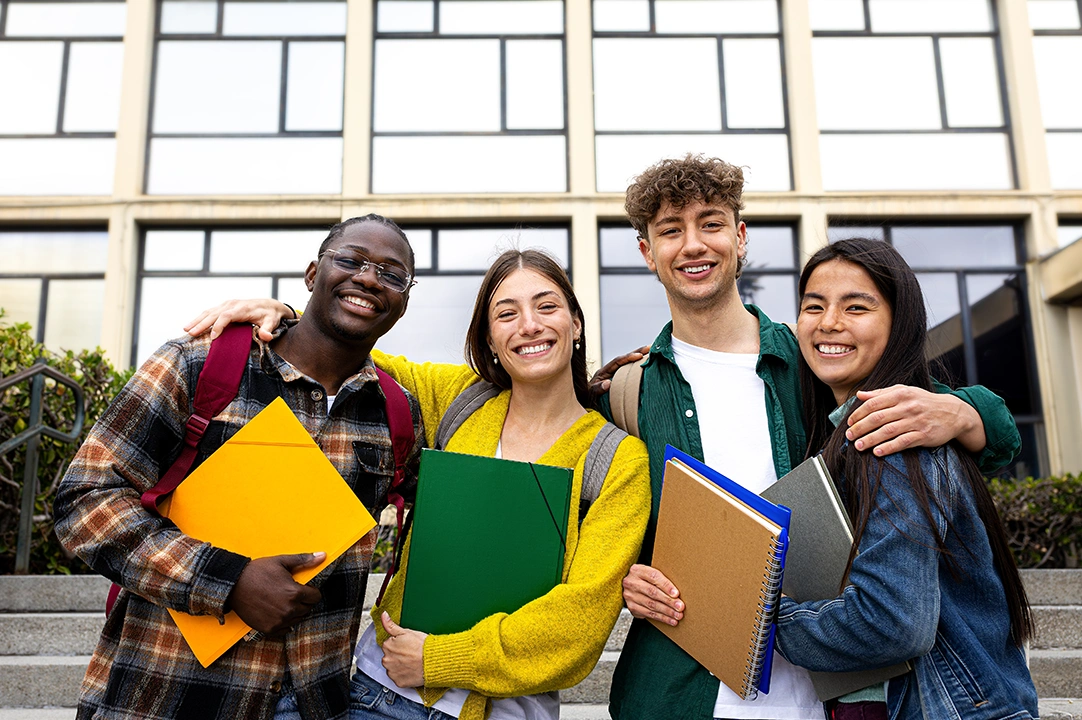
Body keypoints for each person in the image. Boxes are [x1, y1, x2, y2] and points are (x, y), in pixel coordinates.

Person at [595, 155, 1022, 720]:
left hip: (825, 693)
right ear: (648, 252)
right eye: (670, 231)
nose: (693, 245)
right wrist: (626, 574)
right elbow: (584, 533)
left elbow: (987, 440)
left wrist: (962, 414)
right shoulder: (626, 394)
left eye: (711, 223)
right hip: (676, 692)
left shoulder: (817, 358)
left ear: (740, 236)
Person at [185, 249, 651, 720]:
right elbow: (344, 352)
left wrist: (438, 660)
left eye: (546, 306)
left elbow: (580, 621)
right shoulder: (459, 398)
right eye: (505, 313)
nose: (528, 325)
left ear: (575, 322)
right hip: (379, 695)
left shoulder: (617, 460)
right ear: (489, 339)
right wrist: (287, 316)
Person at [54, 214, 425, 720]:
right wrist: (228, 581)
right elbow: (84, 500)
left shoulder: (397, 412)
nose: (368, 278)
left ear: (403, 301)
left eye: (391, 273)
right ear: (313, 274)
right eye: (351, 260)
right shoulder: (198, 364)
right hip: (170, 690)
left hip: (317, 700)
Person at [773, 237, 1037, 719]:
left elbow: (892, 624)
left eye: (857, 306)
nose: (830, 322)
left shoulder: (893, 435)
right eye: (814, 306)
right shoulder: (844, 430)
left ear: (900, 324)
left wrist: (766, 618)